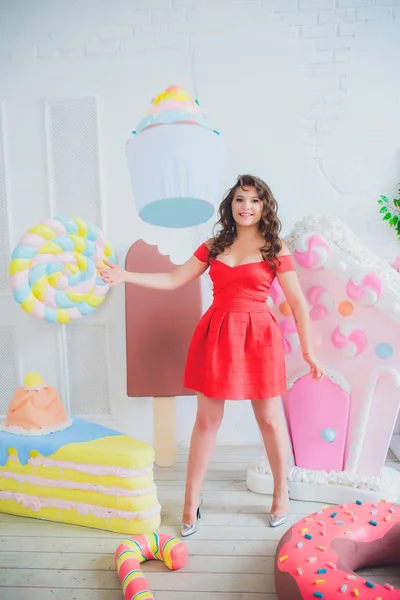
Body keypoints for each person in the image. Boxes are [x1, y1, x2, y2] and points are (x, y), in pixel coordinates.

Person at [98, 174, 323, 536]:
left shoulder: (274, 247)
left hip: (259, 336)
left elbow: (298, 303)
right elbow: (174, 279)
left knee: (268, 419)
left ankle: (282, 493)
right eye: (239, 199)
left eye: (253, 200)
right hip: (217, 333)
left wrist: (309, 351)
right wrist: (125, 275)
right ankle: (191, 501)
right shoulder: (214, 245)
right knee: (206, 421)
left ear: (264, 206)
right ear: (230, 205)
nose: (246, 206)